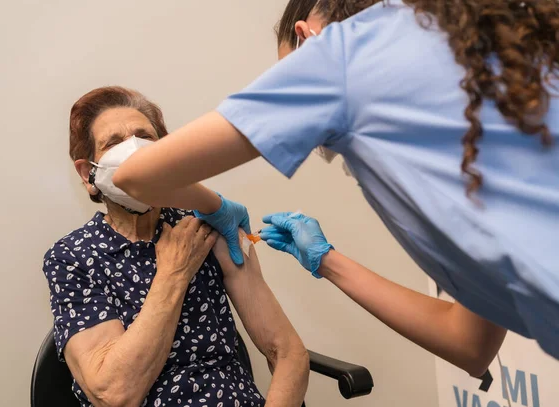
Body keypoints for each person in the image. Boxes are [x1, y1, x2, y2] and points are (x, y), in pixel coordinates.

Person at [113, 0, 559, 374]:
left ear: (308, 40)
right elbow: (469, 344)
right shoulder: (485, 51)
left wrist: (217, 207)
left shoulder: (341, 56)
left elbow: (135, 177)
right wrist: (325, 260)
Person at [42, 86, 309, 407]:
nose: (135, 150)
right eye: (114, 142)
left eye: (146, 136)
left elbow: (289, 353)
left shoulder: (206, 226)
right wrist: (172, 274)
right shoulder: (73, 257)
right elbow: (114, 394)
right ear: (89, 175)